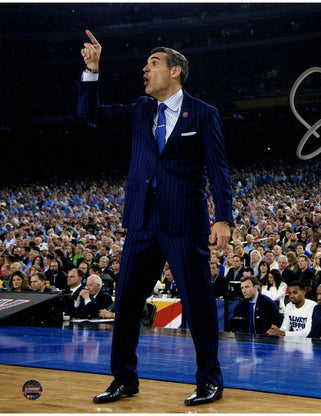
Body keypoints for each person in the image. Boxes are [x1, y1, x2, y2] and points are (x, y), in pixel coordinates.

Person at [79, 30, 232, 406]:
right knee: (128, 301)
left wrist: (224, 218)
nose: (144, 70)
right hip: (142, 222)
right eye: (145, 65)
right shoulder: (140, 110)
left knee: (197, 302)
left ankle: (210, 380)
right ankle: (123, 379)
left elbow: (219, 170)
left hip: (185, 222)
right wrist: (92, 72)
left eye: (153, 63)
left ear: (175, 71)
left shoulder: (204, 114)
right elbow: (89, 113)